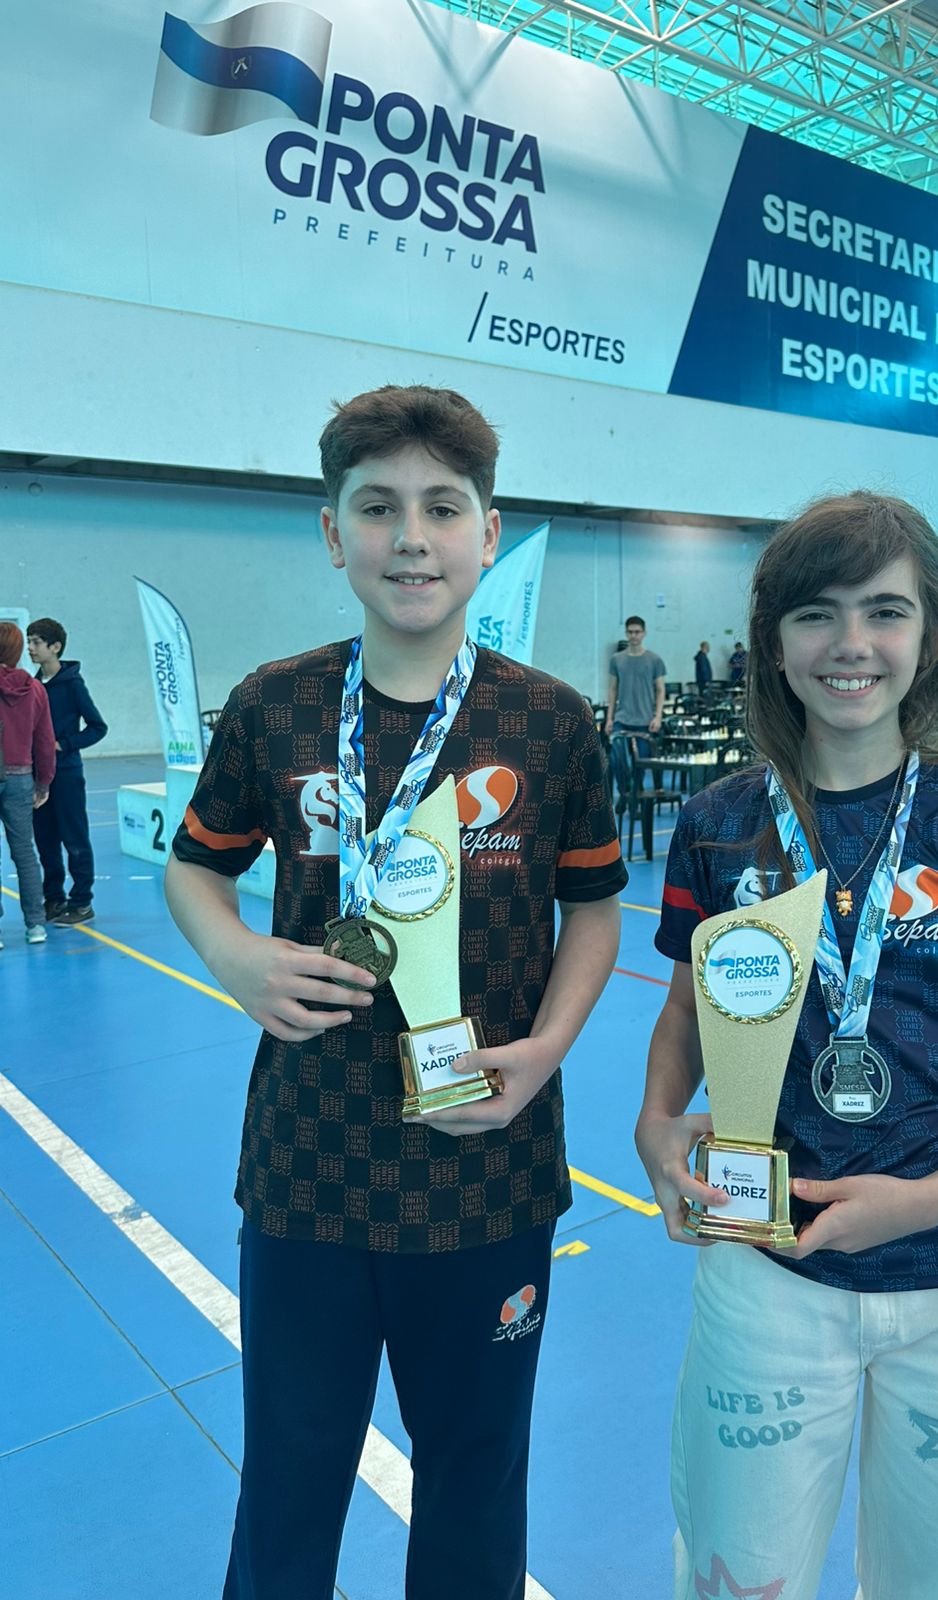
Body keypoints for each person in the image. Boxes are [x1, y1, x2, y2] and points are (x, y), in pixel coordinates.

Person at [163, 385, 626, 1600]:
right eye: (378, 508)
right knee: (290, 1477)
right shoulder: (274, 705)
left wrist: (548, 1048)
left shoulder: (550, 722)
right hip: (308, 1167)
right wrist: (239, 958)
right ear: (334, 533)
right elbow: (194, 869)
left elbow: (594, 911)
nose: (411, 537)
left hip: (488, 1165)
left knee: (477, 1477)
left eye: (442, 507)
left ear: (488, 531)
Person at [635, 492, 938, 1600]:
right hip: (767, 1261)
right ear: (773, 642)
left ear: (932, 637)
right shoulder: (719, 823)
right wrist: (657, 1120)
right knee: (738, 1574)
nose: (851, 643)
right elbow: (687, 1011)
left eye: (885, 611)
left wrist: (930, 1200)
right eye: (816, 613)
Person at [26, 617, 108, 924]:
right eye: (28, 641)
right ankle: (54, 898)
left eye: (36, 642)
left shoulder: (73, 685)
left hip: (67, 774)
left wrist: (65, 744)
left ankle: (82, 902)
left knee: (75, 838)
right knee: (45, 839)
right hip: (38, 776)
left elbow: (98, 727)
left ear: (55, 647)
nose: (30, 648)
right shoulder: (32, 686)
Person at [0, 621, 54, 947]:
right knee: (24, 853)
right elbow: (44, 742)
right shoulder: (35, 689)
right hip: (21, 778)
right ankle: (36, 925)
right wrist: (43, 783)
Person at [605, 615, 666, 808]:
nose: (634, 635)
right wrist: (609, 718)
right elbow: (613, 689)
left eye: (637, 632)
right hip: (622, 719)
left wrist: (658, 716)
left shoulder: (655, 660)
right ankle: (625, 793)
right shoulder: (617, 660)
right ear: (626, 633)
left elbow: (660, 689)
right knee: (618, 761)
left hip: (645, 721)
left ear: (644, 633)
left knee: (641, 764)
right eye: (630, 632)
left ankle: (634, 799)